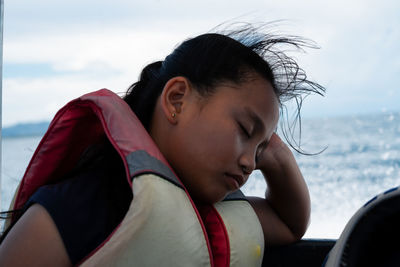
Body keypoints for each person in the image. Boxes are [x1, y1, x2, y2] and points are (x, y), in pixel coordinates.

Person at [0, 23, 324, 266]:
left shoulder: (215, 213)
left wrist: (274, 151)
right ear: (177, 100)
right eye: (244, 128)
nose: (251, 163)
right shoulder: (81, 206)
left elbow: (289, 223)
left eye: (260, 150)